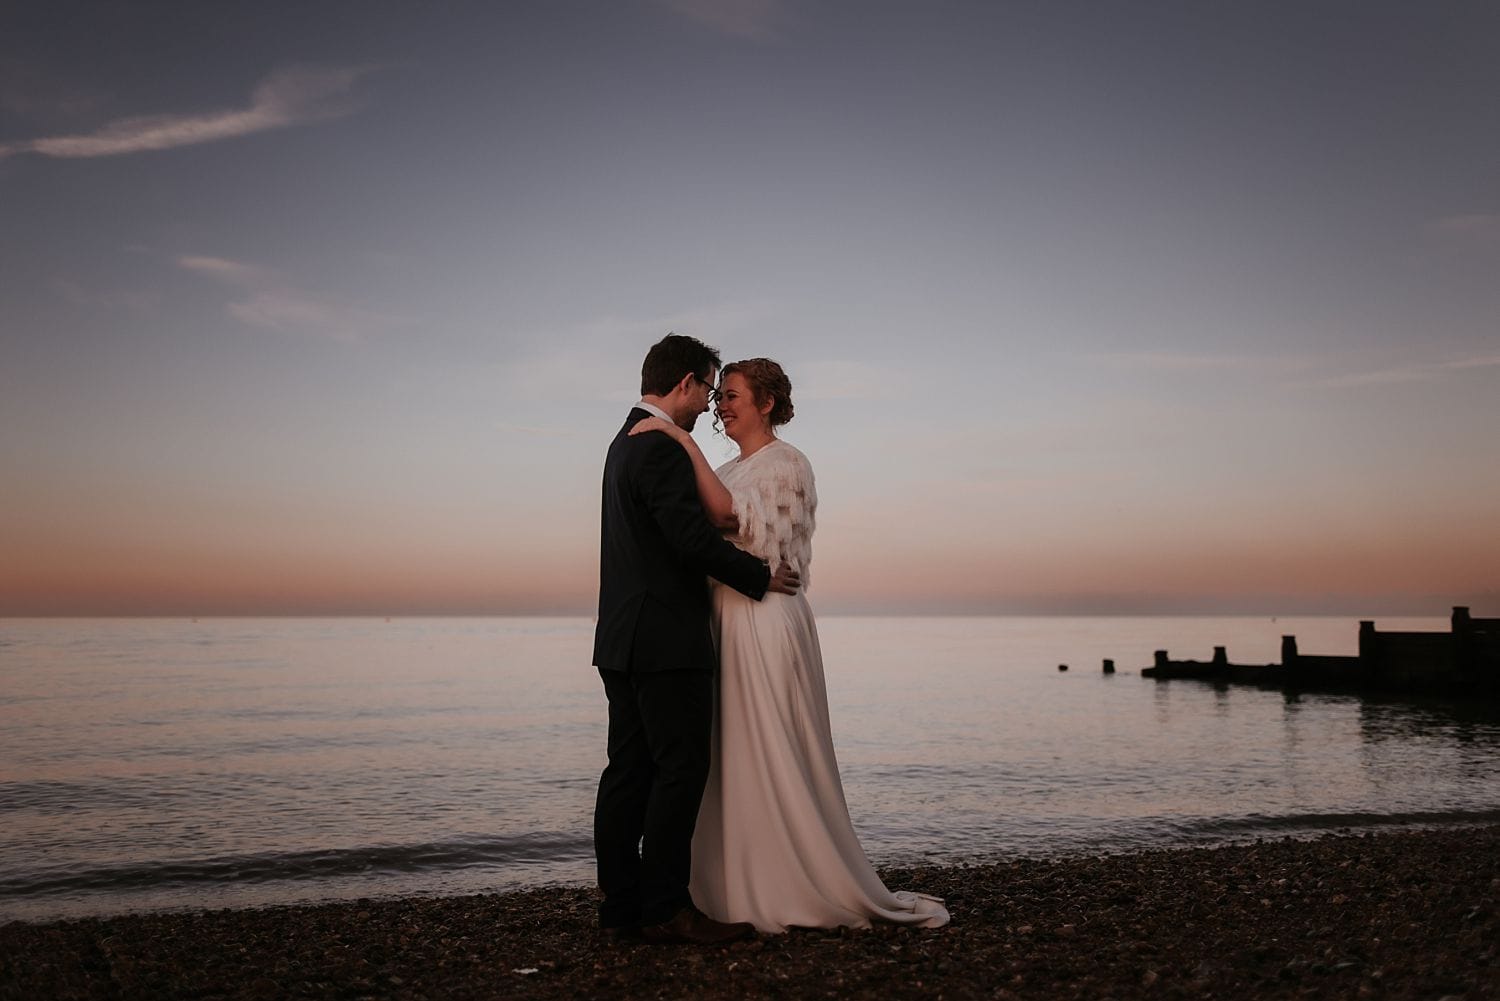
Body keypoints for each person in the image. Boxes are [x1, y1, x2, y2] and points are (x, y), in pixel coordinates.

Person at [629, 357, 950, 933]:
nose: (720, 406)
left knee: (771, 741)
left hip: (764, 616)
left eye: (731, 396)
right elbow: (699, 528)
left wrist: (679, 437)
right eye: (718, 396)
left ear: (766, 403)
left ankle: (790, 879)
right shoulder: (728, 466)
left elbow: (726, 516)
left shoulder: (787, 463)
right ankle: (728, 882)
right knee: (726, 751)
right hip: (722, 617)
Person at [593, 334, 803, 946]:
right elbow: (692, 539)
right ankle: (665, 910)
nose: (708, 405)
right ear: (685, 383)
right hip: (665, 641)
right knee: (679, 772)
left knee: (627, 773)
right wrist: (760, 577)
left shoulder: (621, 443)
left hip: (621, 639)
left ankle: (620, 907)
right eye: (708, 390)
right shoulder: (657, 446)